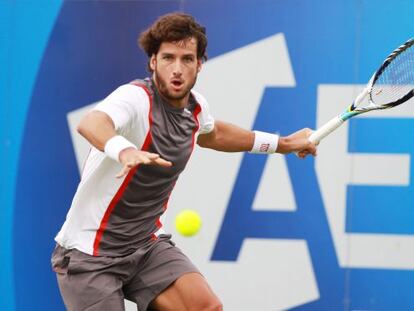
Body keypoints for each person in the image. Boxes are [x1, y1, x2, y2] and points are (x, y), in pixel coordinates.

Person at [51, 12, 317, 311]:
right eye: (168, 58)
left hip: (144, 246)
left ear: (199, 64)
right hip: (90, 255)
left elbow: (213, 134)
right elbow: (92, 123)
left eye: (187, 59)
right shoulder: (135, 98)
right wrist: (125, 151)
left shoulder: (196, 108)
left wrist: (282, 144)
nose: (177, 69)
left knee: (205, 307)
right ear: (153, 61)